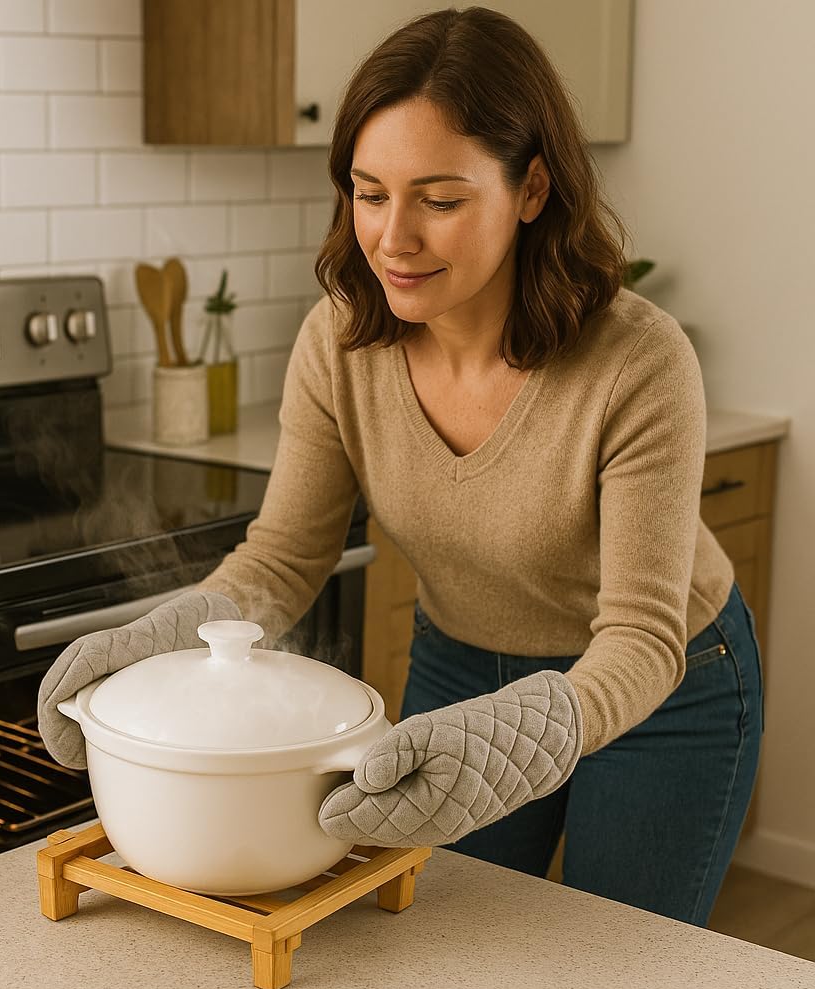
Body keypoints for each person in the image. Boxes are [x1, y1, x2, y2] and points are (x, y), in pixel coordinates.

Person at [39, 7, 762, 927]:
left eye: (441, 199)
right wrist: (161, 639)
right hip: (460, 673)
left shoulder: (638, 360)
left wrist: (528, 732)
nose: (392, 237)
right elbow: (283, 560)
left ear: (532, 188)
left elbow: (641, 638)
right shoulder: (339, 344)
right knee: (434, 951)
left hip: (664, 691)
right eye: (369, 192)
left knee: (616, 967)